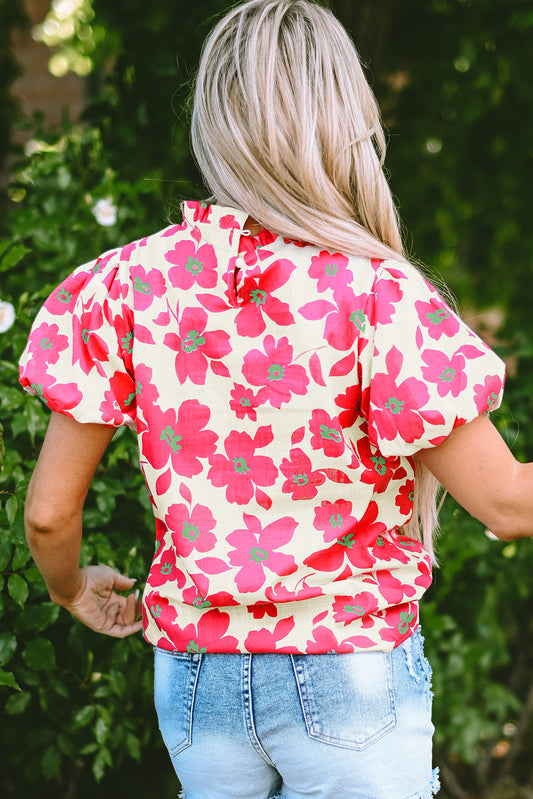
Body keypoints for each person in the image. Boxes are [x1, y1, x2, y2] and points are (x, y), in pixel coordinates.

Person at [18, 1, 533, 797]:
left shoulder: (125, 284)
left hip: (194, 685)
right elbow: (507, 504)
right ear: (344, 121)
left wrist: (69, 586)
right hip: (348, 678)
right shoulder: (375, 296)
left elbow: (50, 513)